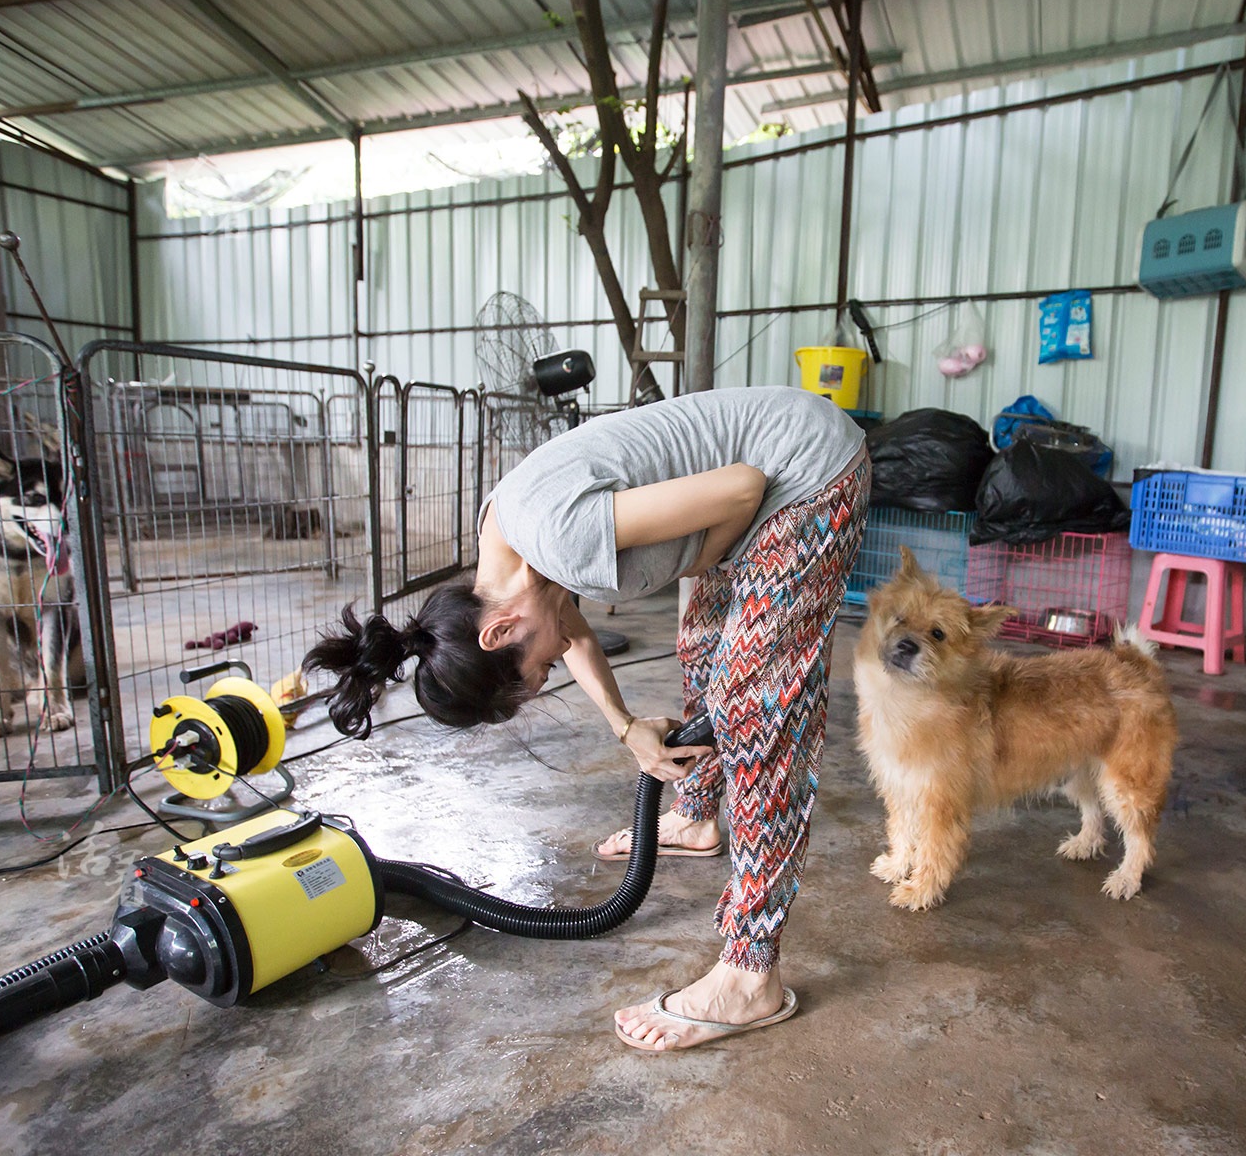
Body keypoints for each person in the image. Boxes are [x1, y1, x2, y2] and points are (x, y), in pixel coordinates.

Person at [306, 385, 869, 1050]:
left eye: (534, 674)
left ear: (499, 633)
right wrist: (626, 726)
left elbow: (743, 488)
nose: (548, 674)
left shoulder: (561, 540)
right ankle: (694, 811)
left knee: (757, 708)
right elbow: (565, 630)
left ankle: (751, 976)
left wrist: (704, 560)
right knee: (702, 645)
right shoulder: (504, 555)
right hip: (766, 479)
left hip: (805, 470)